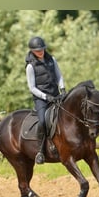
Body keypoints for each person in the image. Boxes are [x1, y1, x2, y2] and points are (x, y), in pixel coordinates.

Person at [25, 36, 66, 164]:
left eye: (42, 49)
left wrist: (63, 89)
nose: (40, 52)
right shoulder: (30, 67)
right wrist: (45, 96)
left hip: (55, 95)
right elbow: (32, 88)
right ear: (32, 51)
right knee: (42, 122)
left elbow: (59, 76)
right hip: (41, 99)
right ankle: (40, 151)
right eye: (37, 50)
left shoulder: (51, 60)